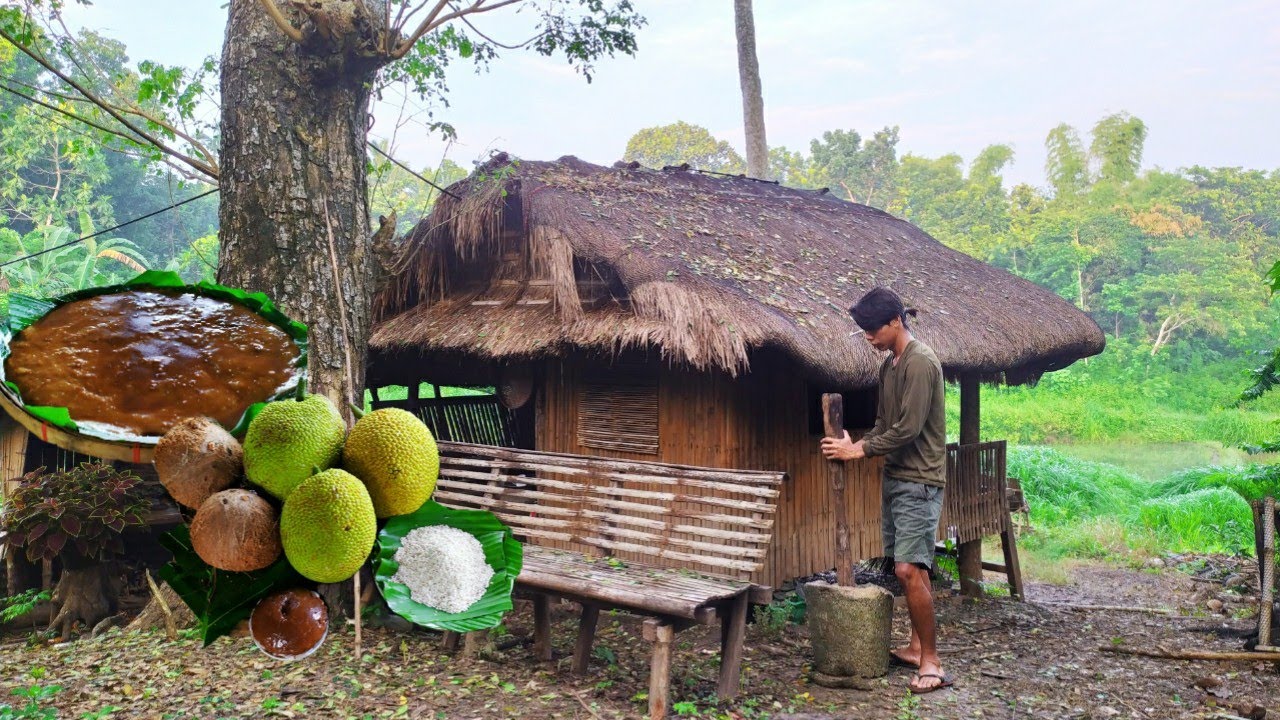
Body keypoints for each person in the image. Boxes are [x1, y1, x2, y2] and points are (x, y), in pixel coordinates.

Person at [819, 286, 953, 695]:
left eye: (872, 329)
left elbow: (909, 429)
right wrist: (852, 441)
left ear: (895, 322)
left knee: (908, 570)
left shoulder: (921, 363)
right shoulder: (889, 367)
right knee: (913, 566)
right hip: (896, 477)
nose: (868, 337)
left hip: (921, 480)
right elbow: (884, 424)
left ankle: (932, 661)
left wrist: (857, 451)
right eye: (863, 331)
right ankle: (916, 647)